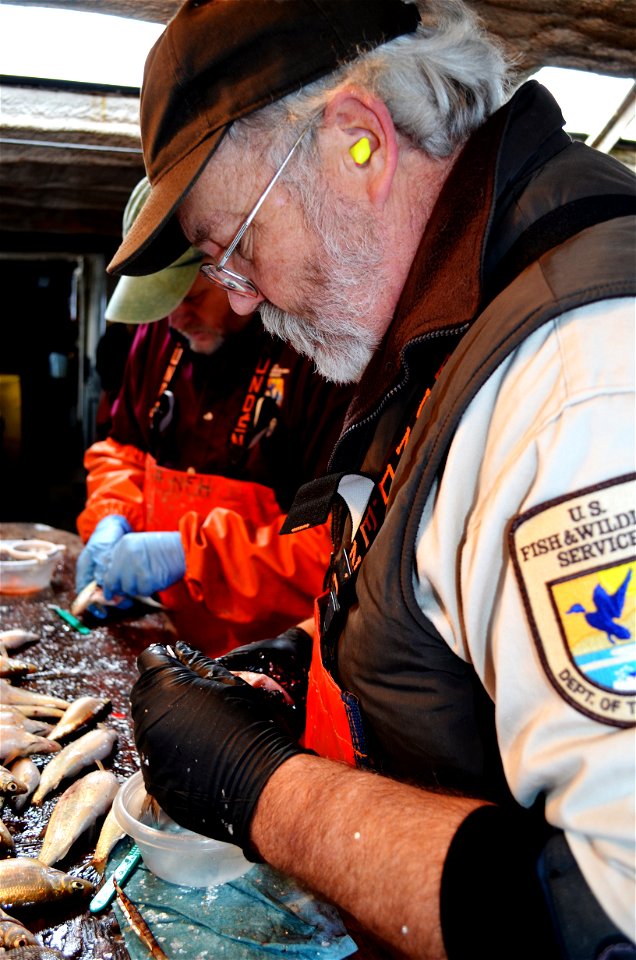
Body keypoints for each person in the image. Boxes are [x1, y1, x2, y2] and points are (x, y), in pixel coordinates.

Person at [109, 1, 635, 957]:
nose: (235, 293)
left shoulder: (582, 384)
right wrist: (308, 660)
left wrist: (262, 787)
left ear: (360, 145)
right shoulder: (450, 332)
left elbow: (613, 918)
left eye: (232, 245)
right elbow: (448, 600)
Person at [76, 176, 352, 656]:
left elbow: (333, 553)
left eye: (186, 296)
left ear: (237, 263)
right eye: (159, 303)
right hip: (162, 635)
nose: (174, 320)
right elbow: (121, 454)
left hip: (268, 664)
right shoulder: (161, 336)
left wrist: (193, 557)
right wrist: (111, 517)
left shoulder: (320, 361)